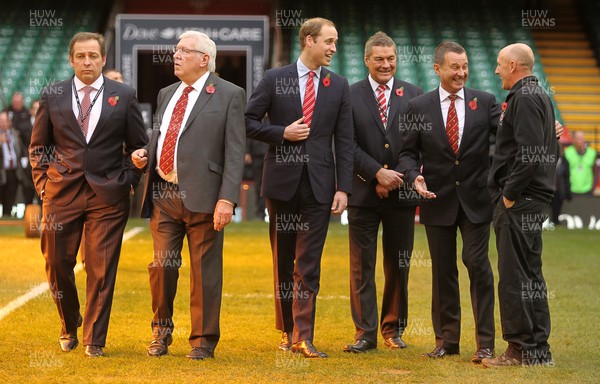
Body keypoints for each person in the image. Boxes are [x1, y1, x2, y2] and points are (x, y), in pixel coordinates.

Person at [29, 32, 148, 357]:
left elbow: (138, 145)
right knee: (56, 263)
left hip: (107, 195)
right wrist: (43, 186)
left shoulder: (123, 95)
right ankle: (70, 324)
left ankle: (95, 339)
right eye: (80, 56)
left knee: (101, 267)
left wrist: (128, 178)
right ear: (71, 60)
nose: (87, 61)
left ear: (103, 59)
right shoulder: (53, 94)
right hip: (60, 194)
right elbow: (39, 147)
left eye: (93, 56)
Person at [131, 31, 246, 360]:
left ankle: (202, 341)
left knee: (204, 272)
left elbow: (235, 152)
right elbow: (165, 136)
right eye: (176, 50)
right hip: (164, 194)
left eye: (184, 51)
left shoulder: (229, 94)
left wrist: (227, 199)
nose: (176, 55)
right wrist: (145, 154)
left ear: (204, 59)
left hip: (206, 198)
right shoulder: (167, 92)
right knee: (162, 266)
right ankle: (160, 333)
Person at [245, 17, 353, 358]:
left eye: (335, 42)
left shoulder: (339, 85)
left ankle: (303, 335)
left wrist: (344, 188)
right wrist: (281, 133)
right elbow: (247, 121)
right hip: (281, 183)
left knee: (308, 263)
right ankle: (286, 330)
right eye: (329, 41)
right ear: (308, 40)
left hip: (321, 186)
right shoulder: (275, 78)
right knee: (283, 260)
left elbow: (345, 140)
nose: (334, 48)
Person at [398, 41, 499, 363]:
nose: (462, 72)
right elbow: (406, 153)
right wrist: (413, 175)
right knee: (442, 272)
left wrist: (542, 129)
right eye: (455, 67)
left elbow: (507, 138)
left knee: (477, 264)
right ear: (438, 69)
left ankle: (486, 343)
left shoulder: (485, 102)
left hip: (477, 201)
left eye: (465, 66)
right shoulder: (418, 106)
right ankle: (447, 341)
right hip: (436, 200)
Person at [343, 31, 422, 354]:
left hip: (402, 195)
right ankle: (365, 332)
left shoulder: (415, 95)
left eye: (390, 59)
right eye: (379, 59)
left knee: (398, 264)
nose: (386, 64)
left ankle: (394, 329)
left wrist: (395, 177)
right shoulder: (349, 95)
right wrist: (376, 172)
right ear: (366, 61)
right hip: (363, 193)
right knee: (361, 266)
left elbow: (416, 146)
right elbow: (346, 144)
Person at [483, 43, 557, 368]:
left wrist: (509, 195)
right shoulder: (537, 95)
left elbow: (527, 153)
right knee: (530, 274)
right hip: (533, 200)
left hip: (520, 201)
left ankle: (519, 349)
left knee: (514, 276)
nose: (497, 70)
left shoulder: (524, 98)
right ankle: (538, 348)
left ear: (513, 65)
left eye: (500, 65)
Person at [0, 111, 27, 217]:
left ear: (9, 121)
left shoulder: (15, 133)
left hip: (14, 171)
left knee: (11, 195)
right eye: (1, 121)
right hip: (1, 171)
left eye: (6, 120)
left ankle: (7, 216)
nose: (4, 123)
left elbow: (20, 149)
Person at [564, 131, 596, 195]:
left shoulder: (592, 153)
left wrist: (593, 187)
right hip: (571, 190)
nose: (582, 140)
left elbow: (595, 172)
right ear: (573, 140)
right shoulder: (567, 153)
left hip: (587, 190)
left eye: (583, 138)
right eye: (579, 138)